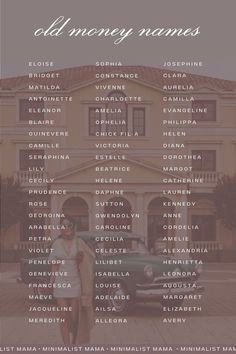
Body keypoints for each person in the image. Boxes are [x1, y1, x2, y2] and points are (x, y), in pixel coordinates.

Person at [49, 215, 95, 345]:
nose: (66, 228)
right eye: (63, 225)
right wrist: (51, 283)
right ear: (60, 228)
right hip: (60, 284)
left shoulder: (79, 242)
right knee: (63, 316)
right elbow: (54, 266)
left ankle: (75, 344)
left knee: (75, 318)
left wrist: (82, 258)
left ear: (73, 227)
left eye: (69, 225)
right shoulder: (56, 244)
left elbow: (91, 257)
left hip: (76, 284)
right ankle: (66, 347)